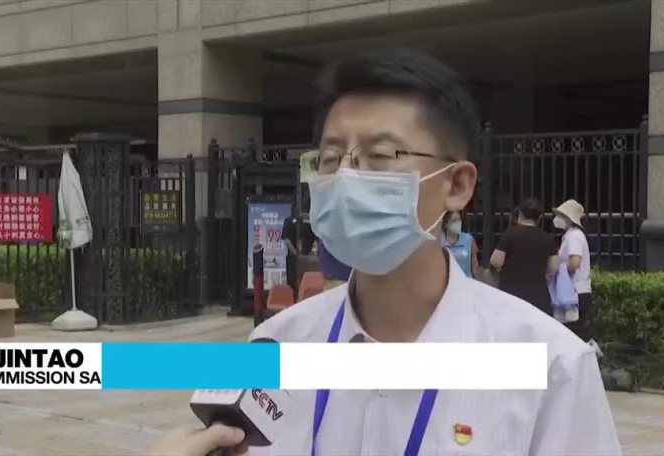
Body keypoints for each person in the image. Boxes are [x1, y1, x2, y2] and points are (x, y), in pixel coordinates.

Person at [153, 49, 620, 456]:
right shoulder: (273, 347)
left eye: (380, 156)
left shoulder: (552, 367)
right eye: (331, 159)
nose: (347, 178)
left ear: (457, 185)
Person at [489, 198, 559, 315]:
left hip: (510, 294)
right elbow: (554, 267)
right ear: (540, 218)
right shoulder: (547, 238)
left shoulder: (509, 234)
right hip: (538, 295)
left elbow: (496, 261)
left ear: (520, 214)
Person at [553, 199, 594, 343]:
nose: (557, 219)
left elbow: (575, 262)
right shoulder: (573, 235)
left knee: (576, 333)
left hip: (576, 291)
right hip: (577, 290)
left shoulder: (574, 236)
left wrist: (560, 269)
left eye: (562, 216)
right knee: (576, 332)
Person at [440, 211, 478, 278]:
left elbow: (474, 265)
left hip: (465, 281)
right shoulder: (439, 241)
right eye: (454, 220)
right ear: (446, 224)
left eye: (459, 219)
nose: (458, 223)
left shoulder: (469, 239)